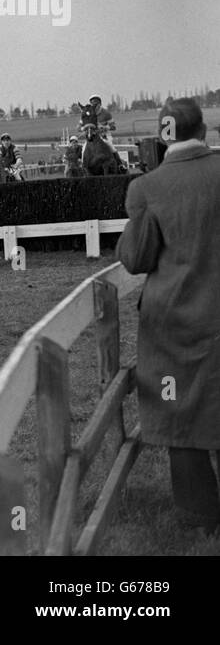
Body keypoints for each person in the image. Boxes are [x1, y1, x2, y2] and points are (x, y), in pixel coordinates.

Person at [116, 97, 220, 537]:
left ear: (163, 136)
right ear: (203, 132)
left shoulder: (146, 189)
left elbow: (135, 260)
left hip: (174, 324)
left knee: (182, 414)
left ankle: (200, 514)